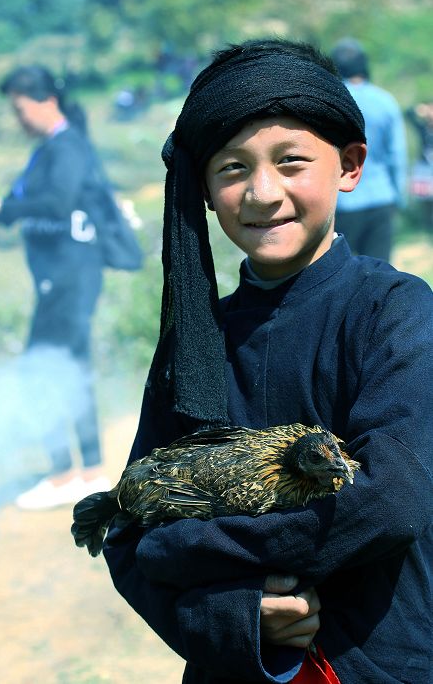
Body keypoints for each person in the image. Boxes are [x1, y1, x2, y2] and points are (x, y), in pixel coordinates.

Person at [101, 38, 433, 683]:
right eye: (231, 168)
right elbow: (128, 529)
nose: (261, 193)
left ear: (350, 164)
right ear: (202, 186)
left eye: (291, 162)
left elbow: (392, 501)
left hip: (385, 658)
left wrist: (185, 544)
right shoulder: (198, 345)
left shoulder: (394, 311)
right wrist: (231, 615)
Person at [0, 65, 113, 509]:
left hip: (69, 277)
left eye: (20, 109)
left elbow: (56, 203)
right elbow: (35, 207)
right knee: (70, 370)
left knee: (41, 370)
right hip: (68, 277)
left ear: (46, 101)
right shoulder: (55, 147)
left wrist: (0, 206)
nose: (18, 119)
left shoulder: (65, 146)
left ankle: (66, 473)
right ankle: (89, 472)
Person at [330, 37, 407, 261]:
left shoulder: (332, 101)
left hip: (342, 201)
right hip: (381, 199)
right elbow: (397, 155)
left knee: (338, 272)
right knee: (379, 273)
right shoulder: (385, 101)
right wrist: (398, 197)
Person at [405, 99, 433, 231]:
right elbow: (408, 114)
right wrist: (420, 109)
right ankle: (427, 226)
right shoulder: (423, 127)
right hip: (425, 169)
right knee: (425, 200)